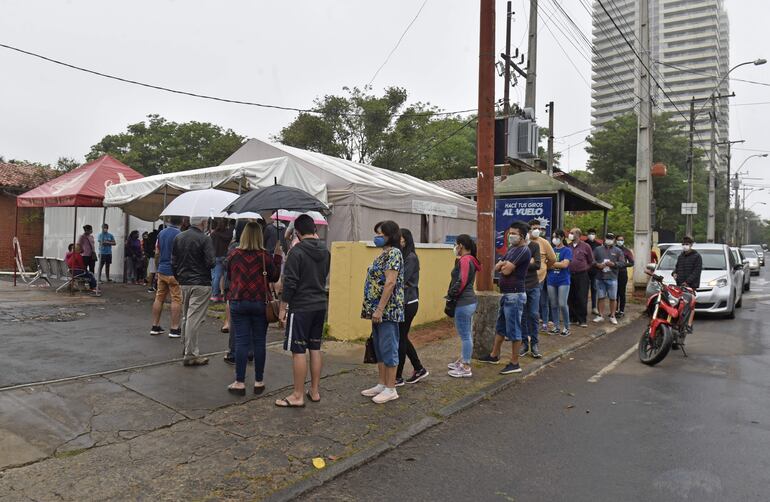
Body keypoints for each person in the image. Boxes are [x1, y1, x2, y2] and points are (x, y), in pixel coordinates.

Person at [275, 214, 331, 408]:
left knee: (298, 351)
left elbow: (289, 284)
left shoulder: (296, 252)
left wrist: (282, 309)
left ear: (297, 233)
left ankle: (298, 395)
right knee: (315, 348)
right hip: (320, 304)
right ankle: (314, 391)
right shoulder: (325, 251)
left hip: (301, 307)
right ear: (315, 229)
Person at [224, 222, 282, 394]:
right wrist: (277, 258)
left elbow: (229, 275)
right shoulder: (264, 256)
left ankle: (240, 382)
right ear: (260, 236)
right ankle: (259, 381)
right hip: (260, 303)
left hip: (239, 301)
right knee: (259, 342)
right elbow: (274, 276)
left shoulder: (233, 254)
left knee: (241, 342)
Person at [360, 221, 405, 404]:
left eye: (380, 233)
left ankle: (391, 387)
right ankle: (382, 383)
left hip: (387, 310)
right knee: (379, 347)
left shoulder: (394, 253)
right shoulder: (383, 254)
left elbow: (390, 282)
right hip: (376, 310)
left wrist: (379, 308)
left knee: (389, 346)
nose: (377, 237)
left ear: (389, 235)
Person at [479, 221, 532, 375]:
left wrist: (503, 265)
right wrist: (502, 264)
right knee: (501, 327)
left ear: (521, 235)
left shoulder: (524, 250)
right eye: (510, 233)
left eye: (514, 233)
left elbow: (506, 270)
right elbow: (497, 267)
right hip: (506, 294)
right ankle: (494, 355)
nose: (511, 236)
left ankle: (514, 363)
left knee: (514, 330)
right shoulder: (512, 249)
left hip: (515, 295)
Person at [172, 217, 216, 366]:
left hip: (184, 281)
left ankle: (186, 347)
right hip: (201, 282)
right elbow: (211, 262)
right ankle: (190, 354)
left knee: (187, 316)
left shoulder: (179, 237)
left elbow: (174, 261)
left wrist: (179, 276)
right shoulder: (205, 239)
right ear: (203, 223)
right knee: (193, 318)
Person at [395, 228, 429, 385]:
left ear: (406, 240)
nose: (398, 241)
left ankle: (397, 376)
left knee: (401, 338)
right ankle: (419, 368)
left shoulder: (411, 257)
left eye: (400, 239)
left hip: (408, 302)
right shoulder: (403, 256)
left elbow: (400, 279)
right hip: (404, 302)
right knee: (402, 337)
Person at [445, 234, 481, 378]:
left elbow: (462, 281)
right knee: (466, 334)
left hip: (463, 302)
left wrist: (452, 295)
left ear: (461, 245)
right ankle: (462, 360)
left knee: (465, 336)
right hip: (468, 301)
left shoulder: (465, 260)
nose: (455, 247)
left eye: (456, 244)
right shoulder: (470, 259)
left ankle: (465, 366)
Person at [150, 216, 183, 338]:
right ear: (182, 221)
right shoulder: (180, 235)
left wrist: (158, 268)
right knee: (176, 299)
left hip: (162, 270)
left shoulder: (161, 234)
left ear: (169, 221)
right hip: (174, 272)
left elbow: (157, 253)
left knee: (159, 298)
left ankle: (155, 325)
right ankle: (174, 328)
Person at [528, 220, 557, 334]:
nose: (537, 231)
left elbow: (553, 259)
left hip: (540, 278)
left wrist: (545, 267)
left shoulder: (544, 242)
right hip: (525, 278)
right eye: (535, 228)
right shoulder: (525, 242)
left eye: (539, 228)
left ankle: (543, 323)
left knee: (541, 302)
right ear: (529, 229)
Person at [592, 232, 625, 325]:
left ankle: (612, 316)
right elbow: (591, 259)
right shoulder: (598, 249)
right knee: (601, 297)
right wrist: (597, 264)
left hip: (612, 277)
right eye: (607, 238)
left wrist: (614, 264)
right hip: (600, 277)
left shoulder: (618, 251)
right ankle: (600, 315)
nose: (609, 240)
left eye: (611, 238)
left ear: (614, 240)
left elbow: (622, 263)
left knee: (613, 298)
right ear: (605, 238)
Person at [520, 227, 542, 358]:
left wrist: (522, 263)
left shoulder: (534, 246)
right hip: (521, 286)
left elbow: (537, 265)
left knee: (533, 314)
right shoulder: (515, 247)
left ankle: (534, 344)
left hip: (533, 285)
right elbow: (510, 264)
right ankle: (524, 343)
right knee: (522, 316)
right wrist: (529, 261)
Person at [673, 236, 702, 333]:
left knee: (691, 304)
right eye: (683, 244)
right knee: (679, 304)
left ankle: (689, 325)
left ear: (691, 245)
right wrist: (674, 273)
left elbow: (696, 272)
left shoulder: (697, 256)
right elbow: (676, 268)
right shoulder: (680, 256)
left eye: (687, 244)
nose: (685, 246)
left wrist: (687, 282)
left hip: (691, 285)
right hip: (680, 285)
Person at [548, 230, 573, 336]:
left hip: (563, 280)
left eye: (556, 237)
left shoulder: (567, 250)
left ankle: (567, 327)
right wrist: (558, 264)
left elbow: (565, 265)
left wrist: (553, 264)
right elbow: (546, 265)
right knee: (553, 304)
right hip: (551, 280)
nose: (554, 239)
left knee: (562, 304)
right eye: (553, 237)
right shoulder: (551, 250)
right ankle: (556, 326)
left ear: (562, 238)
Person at [568, 228, 593, 328]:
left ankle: (582, 320)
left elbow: (591, 260)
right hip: (569, 274)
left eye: (572, 233)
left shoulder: (586, 246)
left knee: (581, 297)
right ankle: (572, 318)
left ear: (578, 235)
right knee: (571, 297)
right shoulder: (568, 246)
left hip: (582, 275)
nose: (570, 235)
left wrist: (585, 268)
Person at [210, 219, 232, 302]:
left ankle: (215, 295)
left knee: (216, 276)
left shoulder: (213, 234)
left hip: (216, 256)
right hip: (225, 256)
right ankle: (223, 294)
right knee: (224, 276)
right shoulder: (228, 234)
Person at [615, 235, 634, 318]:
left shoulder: (626, 251)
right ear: (615, 240)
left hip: (622, 273)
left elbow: (632, 262)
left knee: (621, 293)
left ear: (624, 241)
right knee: (614, 293)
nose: (620, 241)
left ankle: (621, 310)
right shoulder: (612, 249)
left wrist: (623, 264)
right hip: (613, 273)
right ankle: (614, 310)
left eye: (621, 240)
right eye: (618, 240)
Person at [585, 228, 600, 316]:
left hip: (595, 270)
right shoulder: (584, 244)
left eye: (593, 233)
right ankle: (584, 307)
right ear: (587, 234)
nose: (591, 235)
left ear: (595, 235)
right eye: (590, 233)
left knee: (594, 289)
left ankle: (594, 307)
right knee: (584, 290)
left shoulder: (598, 245)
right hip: (585, 270)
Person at [144, 225, 162, 292]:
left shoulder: (152, 234)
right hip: (156, 255)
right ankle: (152, 286)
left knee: (152, 272)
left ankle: (151, 286)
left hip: (152, 255)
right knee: (154, 272)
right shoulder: (158, 236)